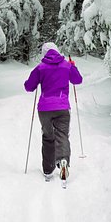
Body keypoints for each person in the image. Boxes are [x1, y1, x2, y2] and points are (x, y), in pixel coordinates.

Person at [24, 42, 82, 181]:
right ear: (57, 51)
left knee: (48, 137)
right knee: (62, 135)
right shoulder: (67, 65)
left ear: (44, 54)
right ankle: (63, 161)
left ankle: (48, 170)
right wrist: (73, 66)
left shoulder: (40, 68)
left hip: (45, 109)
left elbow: (29, 87)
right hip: (62, 107)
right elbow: (77, 80)